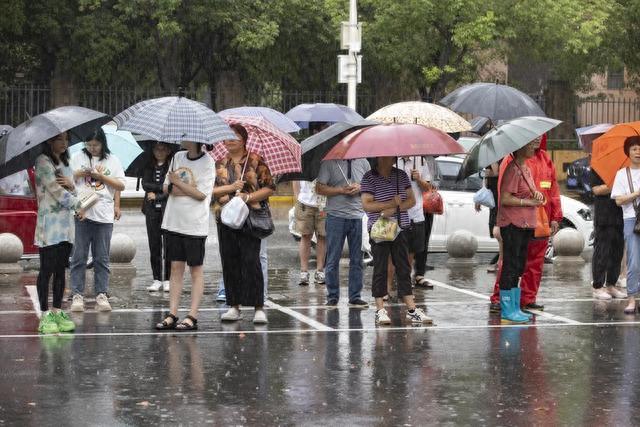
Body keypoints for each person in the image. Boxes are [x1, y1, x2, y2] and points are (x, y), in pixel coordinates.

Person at [489, 135, 562, 311]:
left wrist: (555, 216)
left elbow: (553, 190)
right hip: (517, 222)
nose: (536, 141)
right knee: (511, 264)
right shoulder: (512, 161)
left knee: (531, 265)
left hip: (539, 222)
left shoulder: (545, 159)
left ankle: (526, 299)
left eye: (540, 137)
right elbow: (504, 193)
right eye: (532, 138)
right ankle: (501, 300)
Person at [214, 124, 275, 324]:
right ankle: (234, 305)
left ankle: (258, 306)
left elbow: (269, 188)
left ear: (244, 139)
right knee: (230, 261)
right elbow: (211, 190)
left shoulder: (256, 160)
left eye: (235, 136)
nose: (230, 140)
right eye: (227, 137)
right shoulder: (219, 164)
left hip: (251, 218)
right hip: (226, 218)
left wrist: (247, 197)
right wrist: (230, 192)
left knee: (252, 261)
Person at [360, 156, 431, 325]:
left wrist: (395, 208)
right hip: (379, 229)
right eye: (390, 156)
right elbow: (367, 205)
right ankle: (380, 310)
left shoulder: (400, 175)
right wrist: (391, 204)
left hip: (400, 227)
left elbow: (411, 200)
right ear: (380, 158)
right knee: (380, 267)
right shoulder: (369, 177)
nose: (393, 158)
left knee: (404, 268)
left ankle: (412, 310)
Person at [155, 140, 215, 330]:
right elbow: (166, 187)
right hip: (174, 221)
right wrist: (180, 188)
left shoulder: (208, 162)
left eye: (186, 135)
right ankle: (172, 313)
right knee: (175, 268)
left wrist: (178, 184)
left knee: (195, 270)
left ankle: (192, 316)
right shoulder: (177, 157)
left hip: (195, 224)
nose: (182, 138)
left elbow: (201, 194)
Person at [69, 128, 125, 312]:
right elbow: (69, 181)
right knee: (79, 256)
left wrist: (101, 177)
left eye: (96, 145)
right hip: (83, 212)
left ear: (103, 143)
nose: (92, 148)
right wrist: (81, 173)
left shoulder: (112, 160)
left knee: (102, 257)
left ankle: (101, 293)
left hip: (103, 214)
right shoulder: (77, 157)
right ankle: (77, 294)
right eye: (89, 145)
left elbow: (120, 185)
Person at [33, 132, 82, 334]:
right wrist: (80, 204)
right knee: (47, 269)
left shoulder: (65, 161)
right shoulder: (42, 162)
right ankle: (45, 314)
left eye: (66, 139)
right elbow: (56, 191)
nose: (64, 143)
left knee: (62, 269)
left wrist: (73, 187)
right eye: (59, 139)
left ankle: (57, 311)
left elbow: (71, 189)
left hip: (66, 225)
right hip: (49, 225)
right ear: (49, 140)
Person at [495, 140, 543, 324]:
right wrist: (526, 203)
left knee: (519, 266)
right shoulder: (512, 169)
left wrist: (536, 195)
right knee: (511, 266)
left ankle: (515, 307)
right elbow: (505, 198)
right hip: (513, 224)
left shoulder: (525, 168)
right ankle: (508, 310)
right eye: (530, 145)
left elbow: (527, 192)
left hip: (525, 224)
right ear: (521, 148)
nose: (534, 148)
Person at [316, 157, 370, 307]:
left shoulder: (363, 162)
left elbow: (370, 185)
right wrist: (340, 190)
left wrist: (360, 187)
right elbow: (319, 188)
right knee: (333, 258)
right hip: (335, 216)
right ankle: (332, 296)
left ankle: (355, 296)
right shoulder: (329, 162)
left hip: (357, 216)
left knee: (357, 259)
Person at [611, 136, 640, 314]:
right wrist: (636, 193)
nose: (638, 152)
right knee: (633, 261)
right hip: (631, 220)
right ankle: (632, 299)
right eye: (634, 148)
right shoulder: (622, 174)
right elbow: (619, 200)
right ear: (628, 152)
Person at [142, 143, 173, 292]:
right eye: (156, 149)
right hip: (151, 209)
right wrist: (161, 187)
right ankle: (156, 279)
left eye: (162, 149)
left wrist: (158, 192)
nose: (159, 152)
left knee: (168, 245)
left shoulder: (172, 166)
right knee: (154, 245)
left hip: (168, 209)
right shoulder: (148, 166)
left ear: (168, 151)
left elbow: (172, 187)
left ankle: (168, 278)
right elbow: (145, 184)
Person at [591, 169, 626, 300]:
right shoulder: (598, 168)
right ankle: (598, 286)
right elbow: (596, 190)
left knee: (617, 252)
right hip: (604, 216)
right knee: (602, 251)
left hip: (621, 215)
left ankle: (611, 284)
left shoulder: (624, 170)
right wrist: (615, 185)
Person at [293, 180, 326, 286]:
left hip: (323, 203)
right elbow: (296, 179)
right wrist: (298, 197)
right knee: (306, 236)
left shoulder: (327, 163)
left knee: (322, 236)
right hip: (305, 203)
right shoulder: (303, 163)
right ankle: (304, 272)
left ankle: (320, 271)